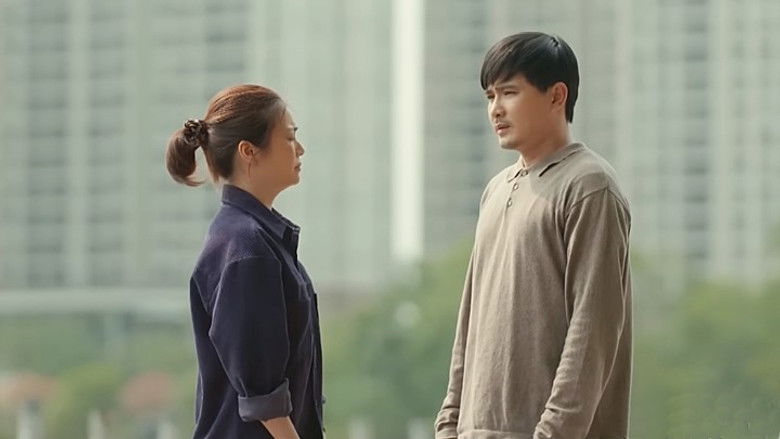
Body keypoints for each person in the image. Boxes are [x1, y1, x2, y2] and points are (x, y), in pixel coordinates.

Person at [435, 32, 633, 439]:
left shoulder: (589, 186)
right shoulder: (496, 189)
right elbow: (469, 322)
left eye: (509, 92)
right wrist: (449, 423)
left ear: (557, 96)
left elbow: (592, 330)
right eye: (490, 96)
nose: (495, 109)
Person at [166, 84, 323, 439]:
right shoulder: (246, 248)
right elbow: (262, 397)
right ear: (249, 151)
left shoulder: (256, 240)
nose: (300, 149)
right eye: (289, 138)